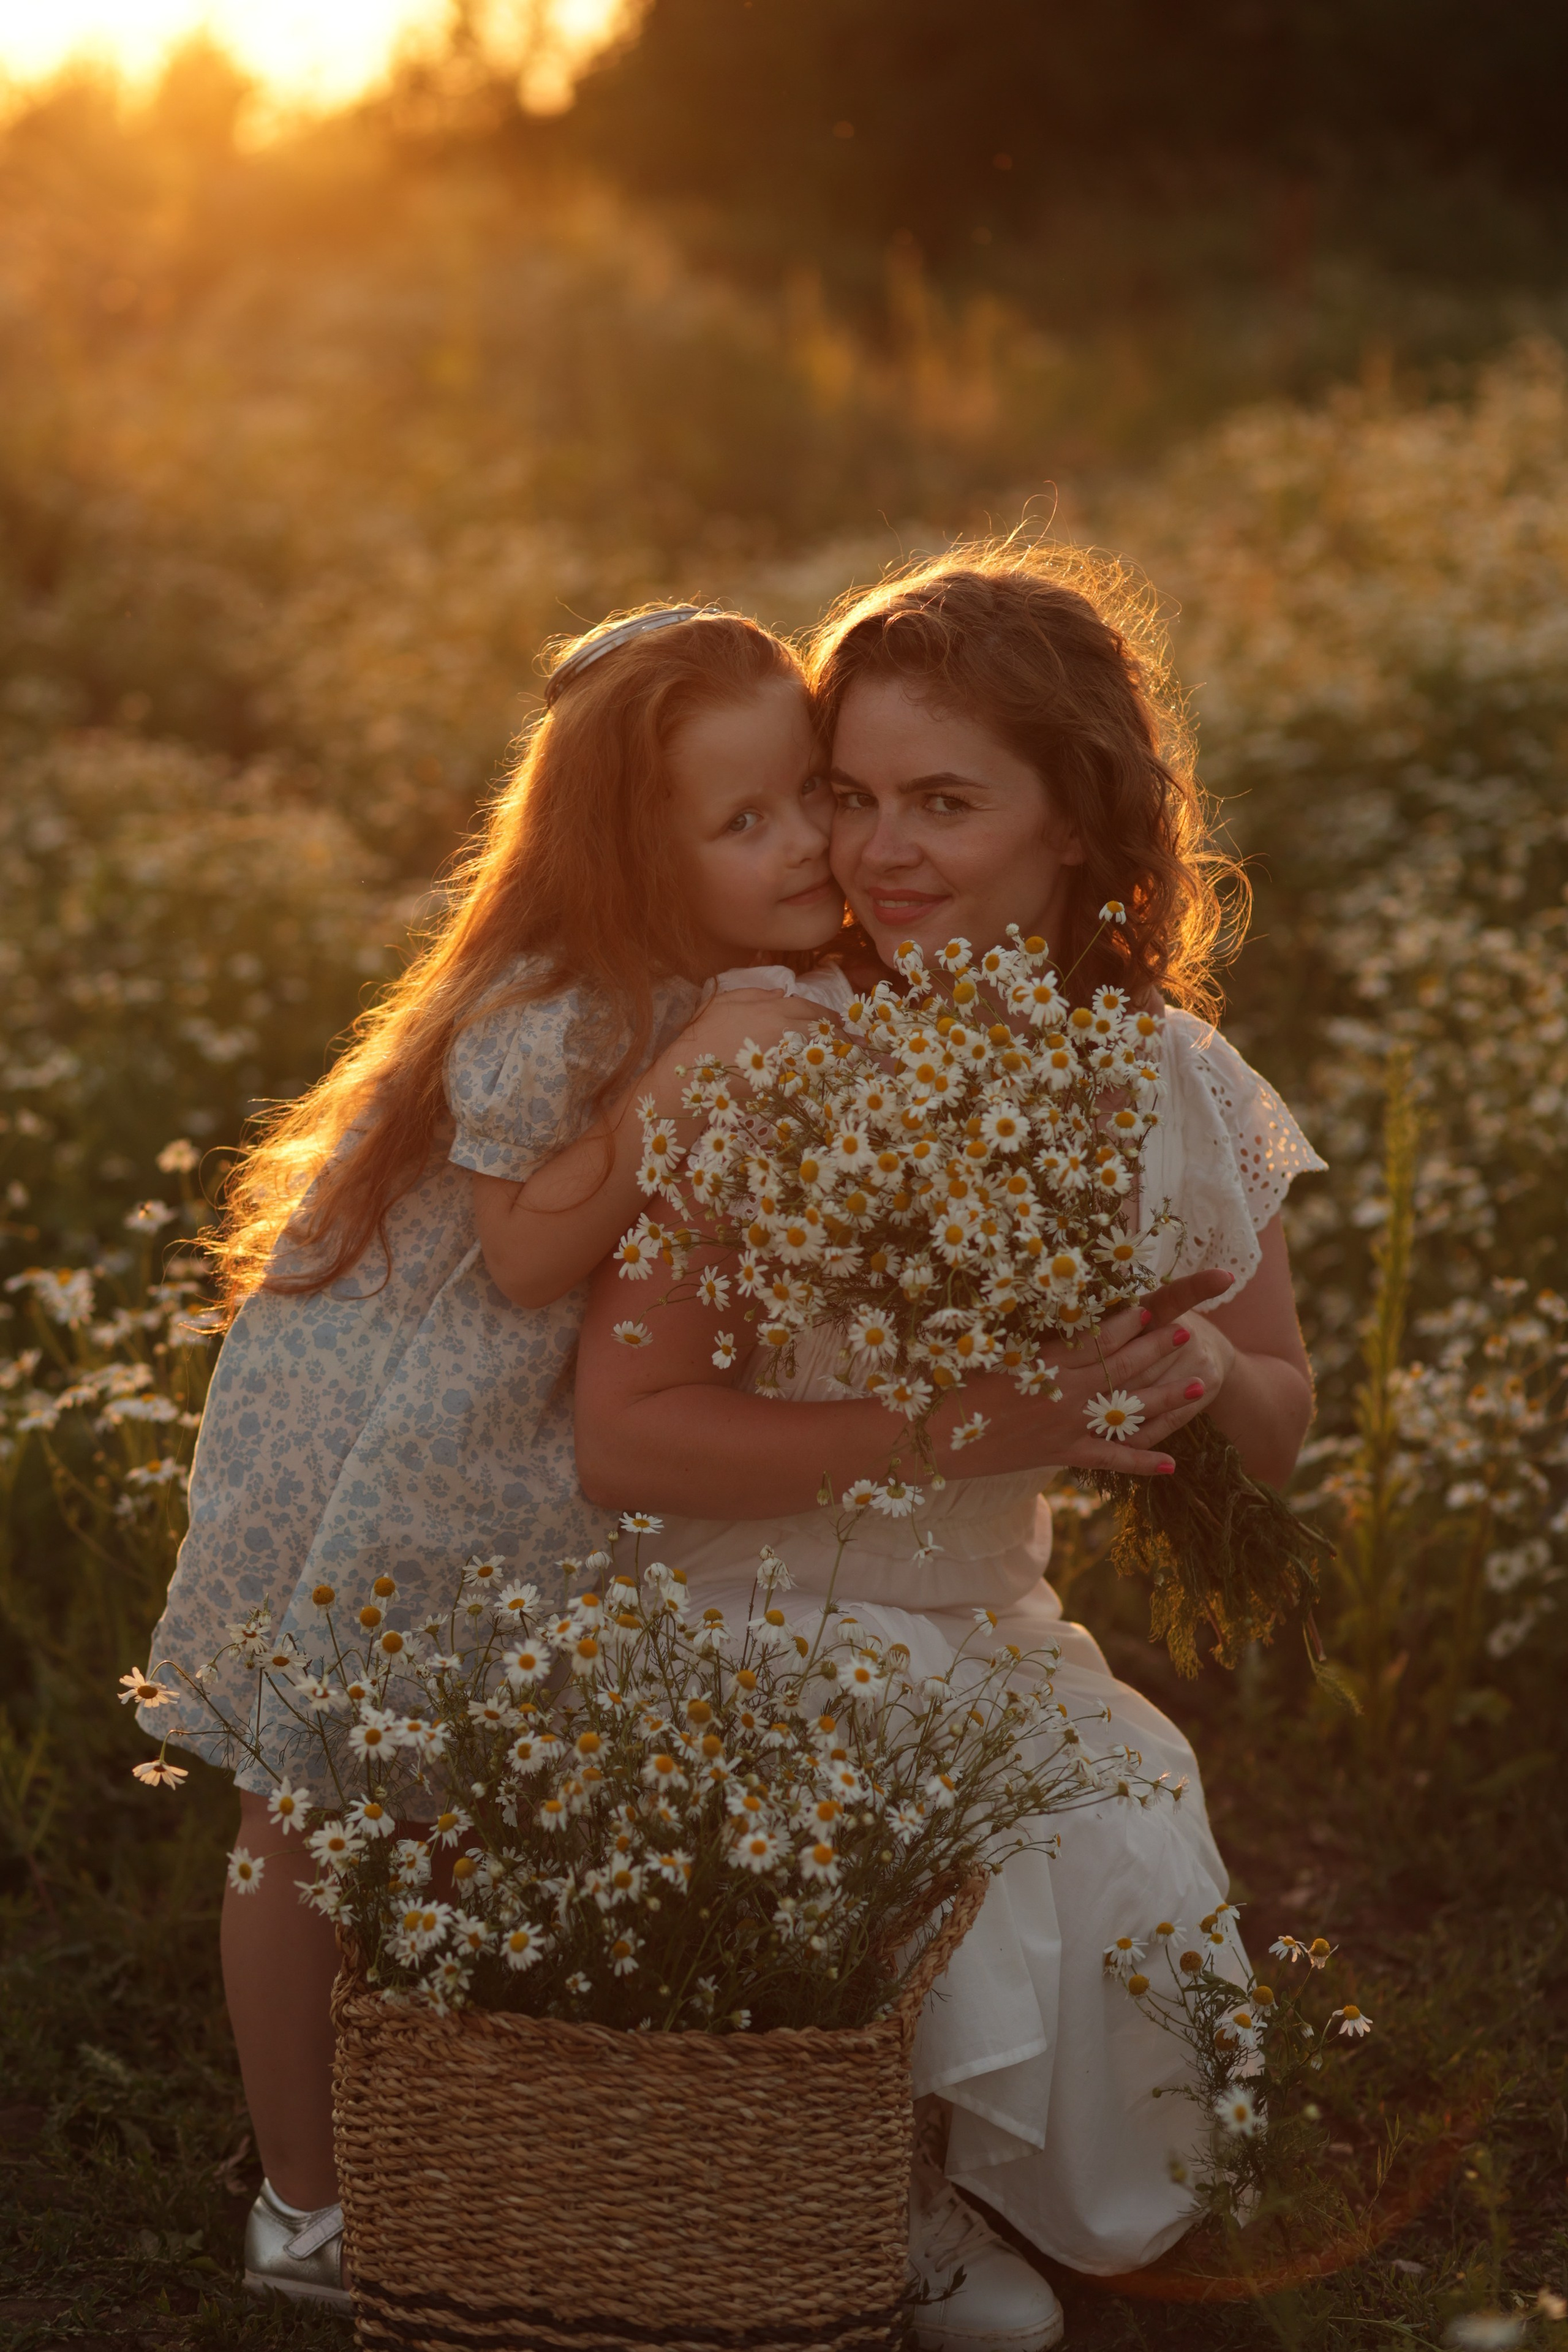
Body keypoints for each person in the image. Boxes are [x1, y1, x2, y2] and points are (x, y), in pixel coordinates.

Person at [573, 546, 1326, 2352]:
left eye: (944, 803)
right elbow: (627, 1435)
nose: (879, 851)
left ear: (1076, 825)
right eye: (848, 797)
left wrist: (1198, 1359)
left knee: (1114, 1813)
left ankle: (944, 2174)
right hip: (733, 1604)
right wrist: (974, 1420)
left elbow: (1286, 1427)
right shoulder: (767, 1050)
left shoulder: (1169, 1080)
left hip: (986, 1616)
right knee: (879, 1773)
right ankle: (870, 2196)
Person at [136, 604, 847, 2309]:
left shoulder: (703, 986)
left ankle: (440, 2124)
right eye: (741, 823)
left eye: (811, 794)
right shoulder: (562, 1006)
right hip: (382, 1448)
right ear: (627, 855)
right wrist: (694, 1074)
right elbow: (531, 1256)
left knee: (445, 1802)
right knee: (304, 1807)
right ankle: (303, 2197)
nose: (806, 843)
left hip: (483, 1449)